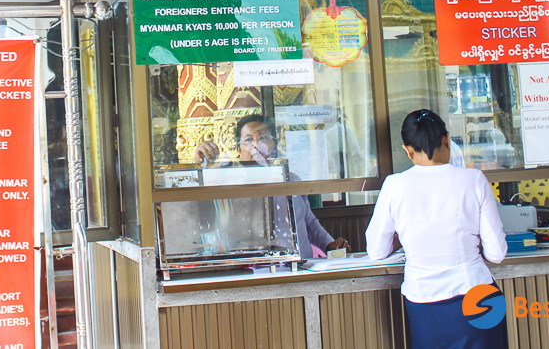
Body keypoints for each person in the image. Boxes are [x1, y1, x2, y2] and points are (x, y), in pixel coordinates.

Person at [365, 109, 508, 349]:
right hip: (479, 295)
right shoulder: (474, 180)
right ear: (446, 139)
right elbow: (497, 253)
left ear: (408, 150)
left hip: (424, 303)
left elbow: (376, 251)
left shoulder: (394, 186)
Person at [194, 113, 349, 258]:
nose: (256, 144)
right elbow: (203, 211)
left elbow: (308, 222)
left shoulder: (290, 180)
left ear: (273, 144)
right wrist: (201, 165)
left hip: (300, 266)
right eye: (248, 140)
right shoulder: (228, 183)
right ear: (238, 149)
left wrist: (329, 244)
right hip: (255, 269)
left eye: (263, 138)